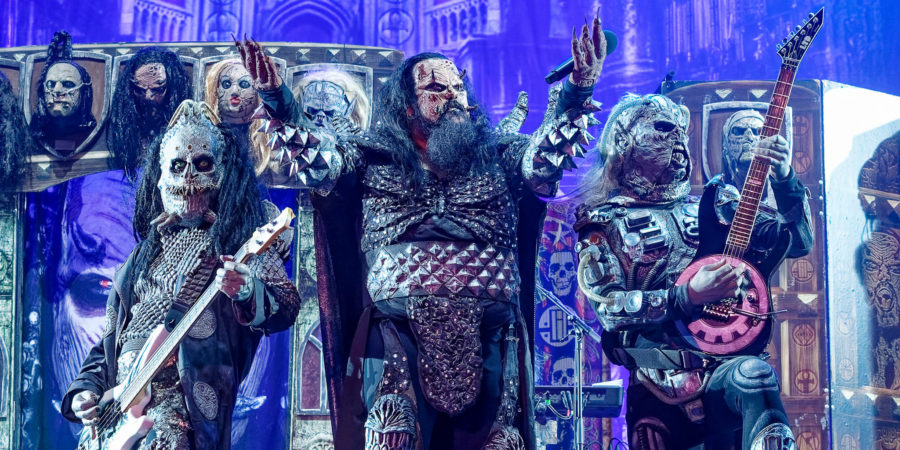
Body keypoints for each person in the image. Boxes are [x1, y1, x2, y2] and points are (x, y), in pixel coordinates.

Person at [234, 12, 607, 448]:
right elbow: (319, 163)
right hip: (397, 336)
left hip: (491, 338)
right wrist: (278, 99)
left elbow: (543, 162)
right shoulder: (372, 158)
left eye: (458, 88)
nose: (453, 97)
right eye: (436, 89)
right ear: (408, 106)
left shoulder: (500, 155)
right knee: (393, 433)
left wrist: (577, 92)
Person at [574, 94, 812, 449]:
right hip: (658, 386)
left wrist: (784, 178)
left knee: (756, 377)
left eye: (681, 131)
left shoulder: (715, 205)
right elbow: (609, 309)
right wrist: (686, 296)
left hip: (723, 369)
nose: (677, 139)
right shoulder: (604, 223)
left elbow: (797, 242)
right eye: (663, 128)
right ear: (624, 140)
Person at [61, 100, 301, 448]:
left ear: (223, 175)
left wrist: (247, 290)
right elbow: (109, 345)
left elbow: (287, 304)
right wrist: (85, 392)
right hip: (120, 413)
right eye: (177, 166)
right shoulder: (140, 257)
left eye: (202, 165)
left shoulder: (238, 241)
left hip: (184, 410)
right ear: (159, 178)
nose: (188, 176)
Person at [107, 46, 192, 179]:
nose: (148, 97)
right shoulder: (129, 118)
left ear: (172, 87)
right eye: (139, 90)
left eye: (158, 89)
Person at [29, 30, 97, 158]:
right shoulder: (39, 134)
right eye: (51, 84)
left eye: (68, 84)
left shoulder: (89, 132)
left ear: (84, 92)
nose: (57, 91)